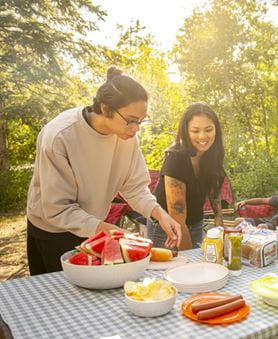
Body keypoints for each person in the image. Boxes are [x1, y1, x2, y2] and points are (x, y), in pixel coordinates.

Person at [26, 67, 182, 275]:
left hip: (96, 227)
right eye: (131, 120)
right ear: (106, 108)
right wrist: (113, 232)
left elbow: (134, 188)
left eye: (141, 121)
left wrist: (160, 214)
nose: (136, 129)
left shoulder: (127, 136)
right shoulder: (59, 136)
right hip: (53, 233)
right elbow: (58, 209)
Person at [148, 103, 226, 250]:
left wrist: (218, 219)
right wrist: (191, 258)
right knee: (176, 269)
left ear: (216, 129)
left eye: (208, 129)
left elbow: (213, 187)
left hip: (196, 223)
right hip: (166, 227)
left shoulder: (213, 154)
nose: (203, 136)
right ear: (186, 131)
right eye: (195, 131)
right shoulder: (176, 158)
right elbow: (177, 216)